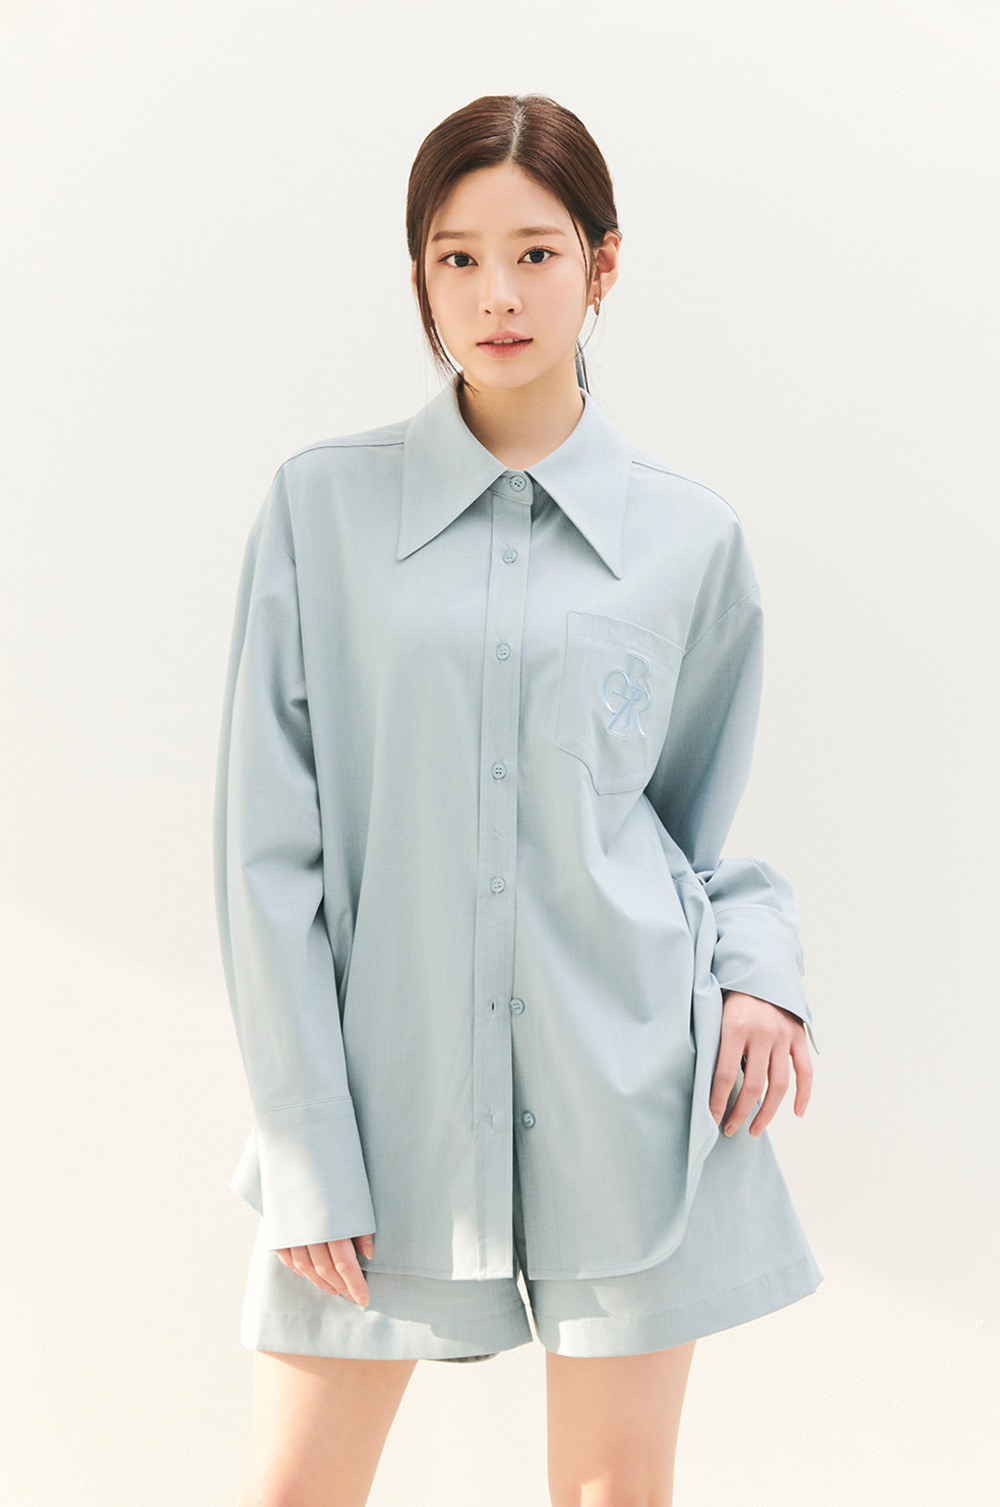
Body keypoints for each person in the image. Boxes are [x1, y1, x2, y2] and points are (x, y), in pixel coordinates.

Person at [213, 92, 823, 1507]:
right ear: (420, 276)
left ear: (603, 266)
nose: (496, 294)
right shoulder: (320, 512)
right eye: (458, 257)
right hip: (381, 1108)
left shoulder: (690, 539)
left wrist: (761, 974)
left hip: (629, 1100)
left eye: (536, 254)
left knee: (614, 1497)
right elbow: (264, 862)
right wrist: (307, 1146)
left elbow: (688, 840)